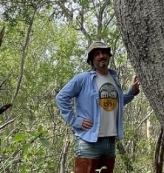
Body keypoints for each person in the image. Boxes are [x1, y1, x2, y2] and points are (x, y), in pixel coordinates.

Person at [55, 41, 140, 173]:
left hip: (110, 141)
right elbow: (61, 97)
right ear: (91, 59)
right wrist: (75, 121)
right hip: (88, 140)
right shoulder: (83, 78)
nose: (101, 56)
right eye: (97, 54)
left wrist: (131, 93)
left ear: (109, 56)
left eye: (104, 52)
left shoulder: (114, 79)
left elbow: (114, 103)